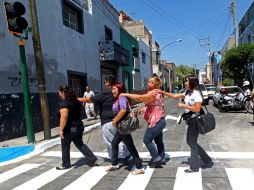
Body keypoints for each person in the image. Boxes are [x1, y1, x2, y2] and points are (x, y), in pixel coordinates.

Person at [157, 76, 213, 173]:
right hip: (191, 120)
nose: (184, 83)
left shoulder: (196, 94)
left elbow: (197, 109)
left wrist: (183, 105)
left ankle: (195, 167)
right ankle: (207, 160)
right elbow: (174, 96)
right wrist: (162, 92)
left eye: (186, 81)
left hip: (195, 120)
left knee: (191, 142)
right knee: (192, 142)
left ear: (191, 83)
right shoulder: (187, 93)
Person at [78, 75, 130, 161]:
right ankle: (126, 153)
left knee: (111, 140)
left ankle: (120, 157)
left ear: (108, 82)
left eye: (105, 82)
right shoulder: (119, 91)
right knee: (121, 139)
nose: (104, 84)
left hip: (108, 121)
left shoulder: (106, 92)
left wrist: (77, 99)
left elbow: (90, 100)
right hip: (120, 120)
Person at [120, 75, 166, 168]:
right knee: (158, 140)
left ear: (154, 84)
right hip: (159, 120)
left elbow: (140, 98)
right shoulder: (157, 93)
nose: (147, 83)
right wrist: (142, 109)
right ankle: (162, 157)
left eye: (149, 82)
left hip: (156, 121)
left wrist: (126, 94)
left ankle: (157, 158)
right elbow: (153, 105)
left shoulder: (153, 93)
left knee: (147, 140)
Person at [106, 83, 144, 175]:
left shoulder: (122, 98)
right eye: (112, 89)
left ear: (119, 89)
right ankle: (114, 163)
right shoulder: (119, 98)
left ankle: (139, 167)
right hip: (121, 126)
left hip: (123, 125)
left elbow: (123, 110)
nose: (112, 91)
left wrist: (114, 121)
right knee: (114, 143)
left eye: (114, 89)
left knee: (130, 146)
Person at [57, 85, 97, 170]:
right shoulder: (75, 101)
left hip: (69, 128)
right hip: (79, 126)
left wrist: (60, 130)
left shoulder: (64, 103)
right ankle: (92, 158)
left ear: (63, 92)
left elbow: (64, 117)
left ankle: (65, 164)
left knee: (65, 146)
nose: (59, 93)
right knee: (80, 144)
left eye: (59, 92)